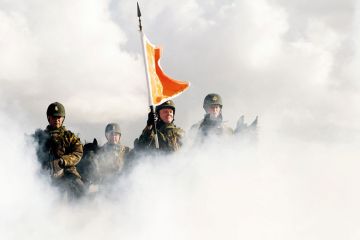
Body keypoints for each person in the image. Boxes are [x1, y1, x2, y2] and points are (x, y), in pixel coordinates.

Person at [33, 102, 85, 199]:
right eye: (54, 117)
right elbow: (30, 152)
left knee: (81, 189)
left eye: (59, 117)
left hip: (67, 171)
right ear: (49, 118)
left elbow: (78, 153)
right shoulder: (40, 137)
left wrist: (63, 161)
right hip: (45, 173)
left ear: (63, 119)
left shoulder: (69, 136)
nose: (56, 120)